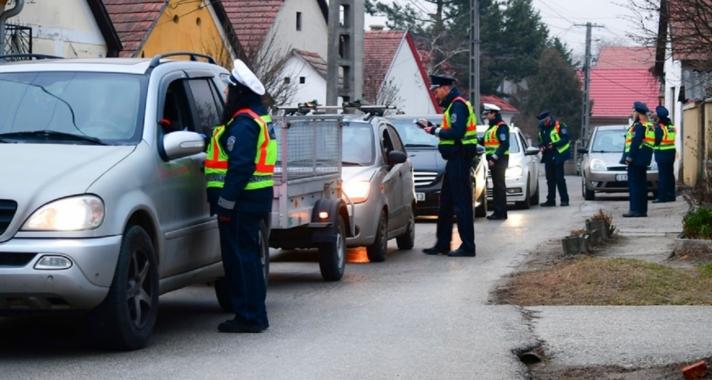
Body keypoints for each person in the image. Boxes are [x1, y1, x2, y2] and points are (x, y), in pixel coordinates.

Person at [205, 59, 276, 333]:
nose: (226, 94)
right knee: (248, 257)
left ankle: (250, 316)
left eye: (229, 90)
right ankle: (254, 313)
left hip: (241, 203)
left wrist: (225, 203)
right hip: (253, 200)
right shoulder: (257, 116)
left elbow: (241, 166)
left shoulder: (244, 122)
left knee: (241, 260)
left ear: (239, 91)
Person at [419, 74, 478, 257]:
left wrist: (435, 130)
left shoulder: (458, 105)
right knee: (445, 204)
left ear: (445, 88)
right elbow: (451, 128)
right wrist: (432, 127)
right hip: (453, 161)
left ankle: (468, 246)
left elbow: (457, 131)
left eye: (436, 90)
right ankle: (442, 244)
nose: (435, 95)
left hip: (459, 159)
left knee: (462, 204)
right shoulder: (453, 106)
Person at [620, 101, 654, 217]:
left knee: (634, 185)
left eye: (633, 111)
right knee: (642, 186)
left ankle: (634, 210)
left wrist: (629, 157)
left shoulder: (639, 127)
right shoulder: (648, 125)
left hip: (636, 159)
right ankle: (642, 210)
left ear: (638, 113)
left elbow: (635, 143)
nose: (632, 112)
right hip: (643, 159)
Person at [537, 111, 571, 207]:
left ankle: (564, 200)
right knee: (550, 179)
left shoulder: (559, 126)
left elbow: (566, 138)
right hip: (548, 155)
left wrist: (555, 144)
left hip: (558, 154)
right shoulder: (542, 128)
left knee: (559, 178)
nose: (543, 123)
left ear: (548, 118)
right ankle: (551, 200)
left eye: (544, 121)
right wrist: (541, 146)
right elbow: (540, 140)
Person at [482, 103, 510, 220]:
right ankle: (498, 211)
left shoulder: (501, 127)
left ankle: (501, 213)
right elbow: (485, 142)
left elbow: (504, 144)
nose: (485, 116)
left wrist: (494, 157)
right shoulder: (492, 127)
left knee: (499, 187)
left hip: (499, 160)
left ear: (494, 113)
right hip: (493, 161)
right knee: (496, 187)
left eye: (487, 113)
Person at [653, 105, 676, 203]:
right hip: (671, 153)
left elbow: (656, 141)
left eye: (655, 112)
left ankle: (661, 197)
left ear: (658, 116)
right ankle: (671, 195)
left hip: (662, 153)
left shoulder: (660, 127)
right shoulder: (671, 125)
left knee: (662, 176)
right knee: (670, 175)